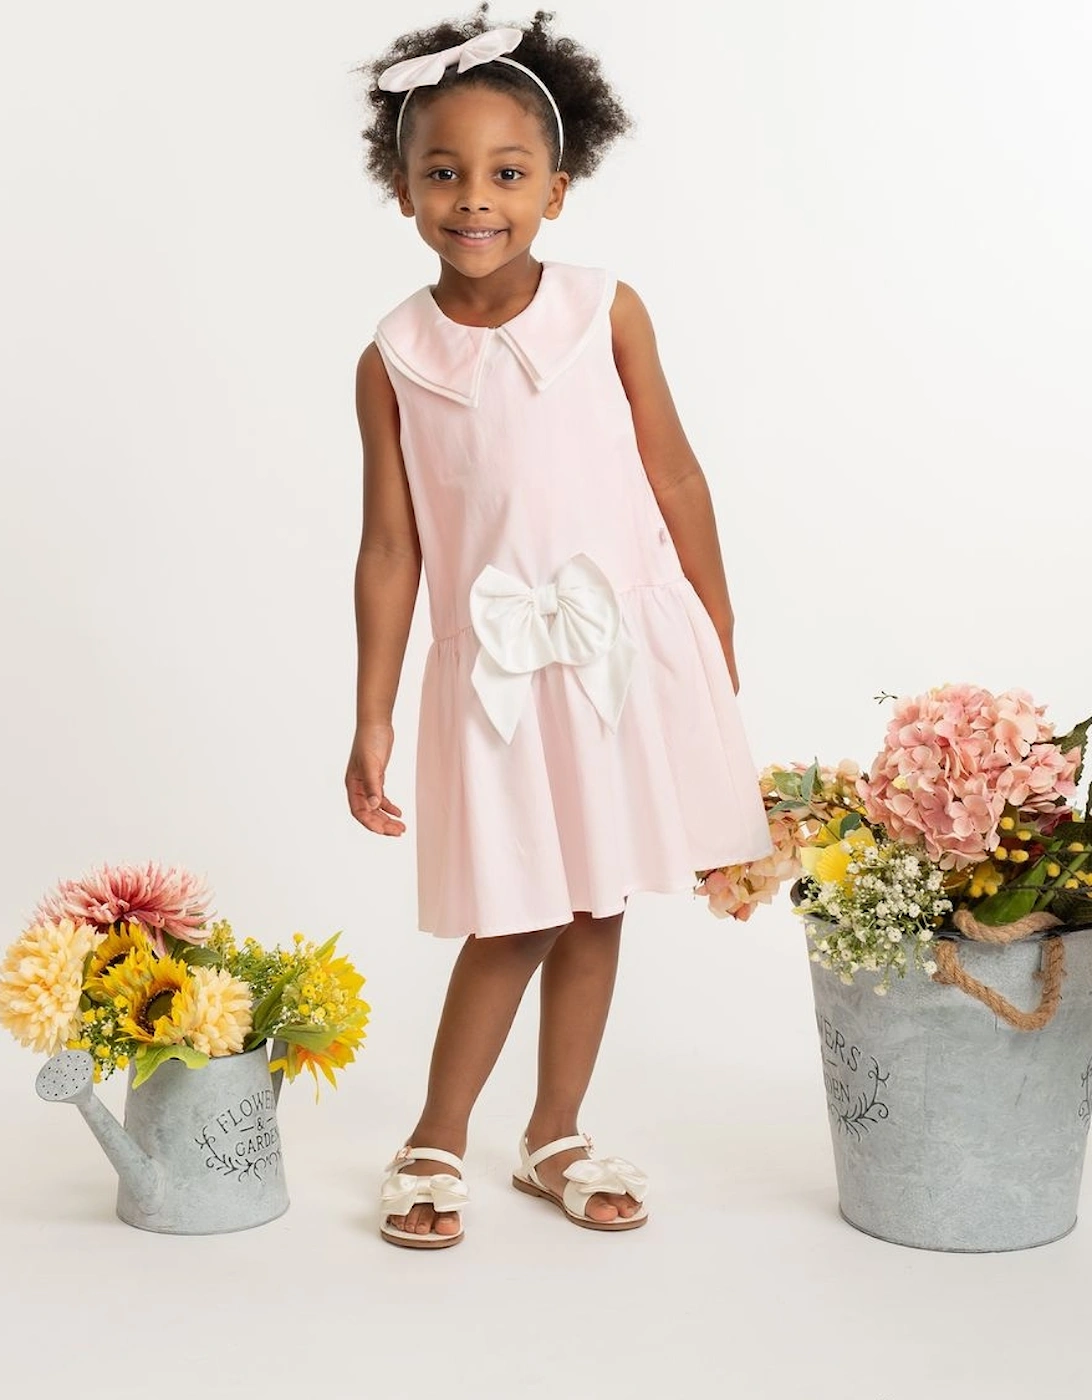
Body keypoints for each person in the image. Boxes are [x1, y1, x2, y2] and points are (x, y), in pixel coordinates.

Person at [347, 6, 773, 1249]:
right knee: (517, 909)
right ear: (403, 190)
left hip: (618, 654)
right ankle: (435, 1135)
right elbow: (391, 548)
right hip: (497, 674)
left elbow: (675, 474)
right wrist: (372, 713)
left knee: (596, 901)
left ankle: (556, 1132)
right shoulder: (393, 356)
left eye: (507, 173)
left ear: (557, 189)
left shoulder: (606, 309)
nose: (475, 198)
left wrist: (714, 622)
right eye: (444, 173)